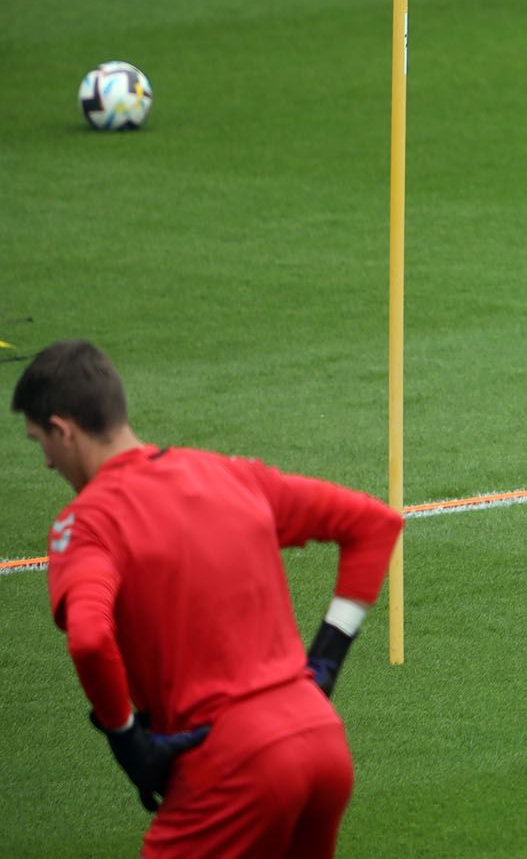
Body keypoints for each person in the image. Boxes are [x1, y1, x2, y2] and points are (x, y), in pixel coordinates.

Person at [15, 340, 404, 855]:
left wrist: (125, 738)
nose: (46, 462)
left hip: (231, 764)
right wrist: (325, 662)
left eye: (40, 441)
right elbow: (374, 523)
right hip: (322, 743)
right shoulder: (228, 474)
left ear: (63, 429)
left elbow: (89, 639)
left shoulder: (88, 523)